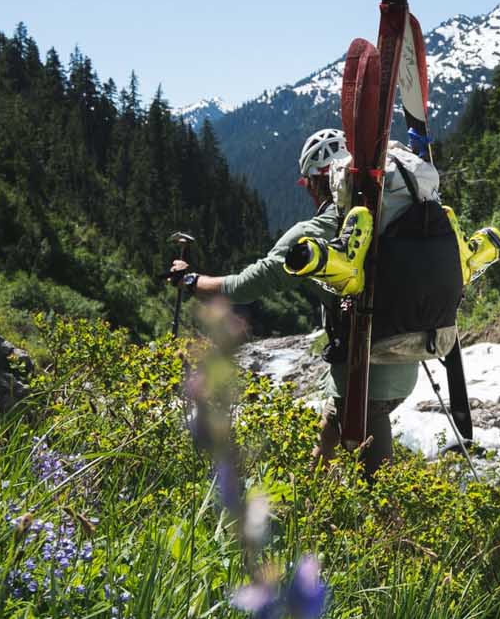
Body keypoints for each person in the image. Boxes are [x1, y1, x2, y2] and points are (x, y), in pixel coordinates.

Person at [169, 127, 416, 473]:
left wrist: (191, 281)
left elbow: (243, 286)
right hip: (407, 358)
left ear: (316, 182)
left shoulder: (313, 232)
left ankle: (387, 527)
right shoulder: (392, 216)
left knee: (378, 482)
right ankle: (307, 504)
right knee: (329, 434)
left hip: (367, 375)